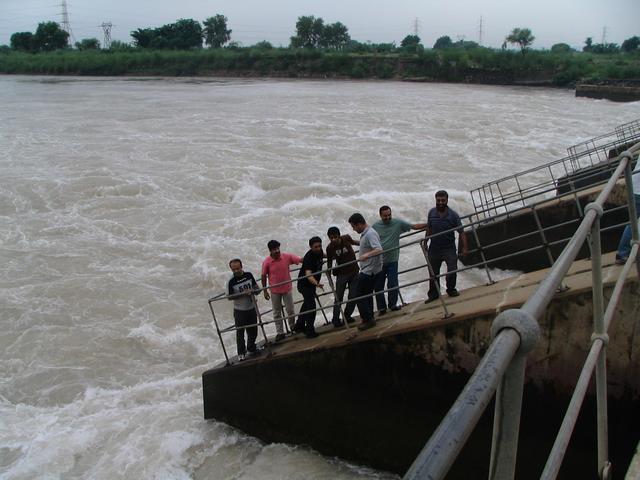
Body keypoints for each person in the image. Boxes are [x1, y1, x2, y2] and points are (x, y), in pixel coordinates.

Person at [372, 206, 426, 314]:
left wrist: (430, 224)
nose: (387, 217)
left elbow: (414, 226)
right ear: (380, 215)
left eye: (389, 215)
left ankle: (392, 305)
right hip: (379, 261)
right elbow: (369, 240)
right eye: (385, 216)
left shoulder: (397, 223)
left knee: (393, 283)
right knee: (378, 286)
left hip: (392, 260)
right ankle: (381, 308)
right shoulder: (375, 227)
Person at [424, 190, 468, 303]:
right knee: (433, 273)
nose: (440, 202)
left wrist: (465, 247)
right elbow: (429, 228)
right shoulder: (431, 213)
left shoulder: (453, 215)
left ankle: (451, 289)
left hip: (449, 248)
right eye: (438, 200)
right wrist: (425, 242)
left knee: (452, 270)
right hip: (434, 248)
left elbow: (461, 232)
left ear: (447, 200)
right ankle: (434, 294)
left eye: (443, 200)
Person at [348, 213, 383, 331]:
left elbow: (378, 249)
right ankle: (370, 317)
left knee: (358, 295)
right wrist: (354, 242)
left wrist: (366, 255)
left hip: (369, 270)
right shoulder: (366, 234)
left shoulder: (370, 233)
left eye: (353, 226)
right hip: (369, 269)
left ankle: (368, 319)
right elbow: (368, 245)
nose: (353, 229)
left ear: (359, 224)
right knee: (367, 294)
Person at [261, 240, 302, 342]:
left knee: (290, 310)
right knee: (276, 312)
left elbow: (299, 260)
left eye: (278, 248)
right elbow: (263, 275)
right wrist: (265, 291)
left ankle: (293, 327)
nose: (277, 251)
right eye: (274, 249)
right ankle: (280, 332)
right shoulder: (267, 261)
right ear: (270, 251)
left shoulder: (286, 257)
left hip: (287, 288)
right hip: (274, 290)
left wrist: (312, 259)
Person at [325, 226, 360, 327]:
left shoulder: (346, 238)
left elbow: (355, 242)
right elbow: (329, 263)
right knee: (338, 297)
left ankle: (347, 316)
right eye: (331, 238)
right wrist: (329, 272)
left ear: (339, 235)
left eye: (335, 237)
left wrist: (366, 243)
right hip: (341, 275)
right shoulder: (329, 248)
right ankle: (335, 319)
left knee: (353, 296)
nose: (333, 240)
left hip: (354, 271)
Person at [227, 258, 259, 360]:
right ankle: (241, 353)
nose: (236, 271)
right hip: (239, 310)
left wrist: (252, 291)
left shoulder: (249, 275)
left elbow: (257, 289)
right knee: (240, 332)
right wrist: (242, 294)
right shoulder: (231, 281)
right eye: (233, 270)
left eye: (237, 268)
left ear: (241, 267)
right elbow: (229, 297)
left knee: (253, 330)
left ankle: (251, 348)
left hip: (251, 307)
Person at [294, 236, 325, 338]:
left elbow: (324, 255)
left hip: (311, 285)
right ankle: (309, 330)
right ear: (311, 247)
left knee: (307, 304)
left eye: (320, 246)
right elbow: (308, 274)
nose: (318, 248)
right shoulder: (308, 257)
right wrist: (317, 283)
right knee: (311, 306)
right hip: (304, 285)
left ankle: (299, 325)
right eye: (315, 247)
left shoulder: (319, 252)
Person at [616, 160, 640, 264]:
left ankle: (623, 253)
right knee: (633, 223)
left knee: (633, 222)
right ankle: (623, 253)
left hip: (635, 187)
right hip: (638, 190)